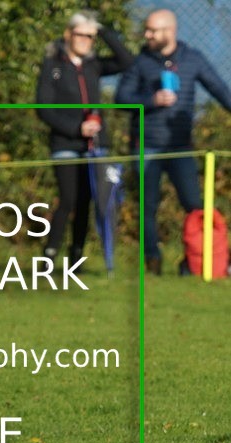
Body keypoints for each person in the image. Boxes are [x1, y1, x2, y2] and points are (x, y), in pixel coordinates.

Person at [116, 8, 231, 275]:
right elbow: (121, 98)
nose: (147, 35)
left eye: (152, 30)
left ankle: (193, 261)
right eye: (147, 29)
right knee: (148, 207)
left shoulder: (193, 59)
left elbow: (219, 89)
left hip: (180, 147)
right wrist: (151, 101)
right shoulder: (140, 62)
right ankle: (152, 261)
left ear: (169, 31)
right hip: (145, 146)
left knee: (194, 205)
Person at [36, 11, 133, 264]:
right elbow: (43, 108)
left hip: (95, 146)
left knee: (86, 201)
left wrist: (101, 29)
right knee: (68, 198)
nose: (85, 41)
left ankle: (76, 255)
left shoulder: (94, 65)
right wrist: (75, 129)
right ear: (69, 34)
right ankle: (49, 254)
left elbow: (126, 61)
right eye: (81, 34)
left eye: (90, 37)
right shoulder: (53, 66)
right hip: (65, 144)